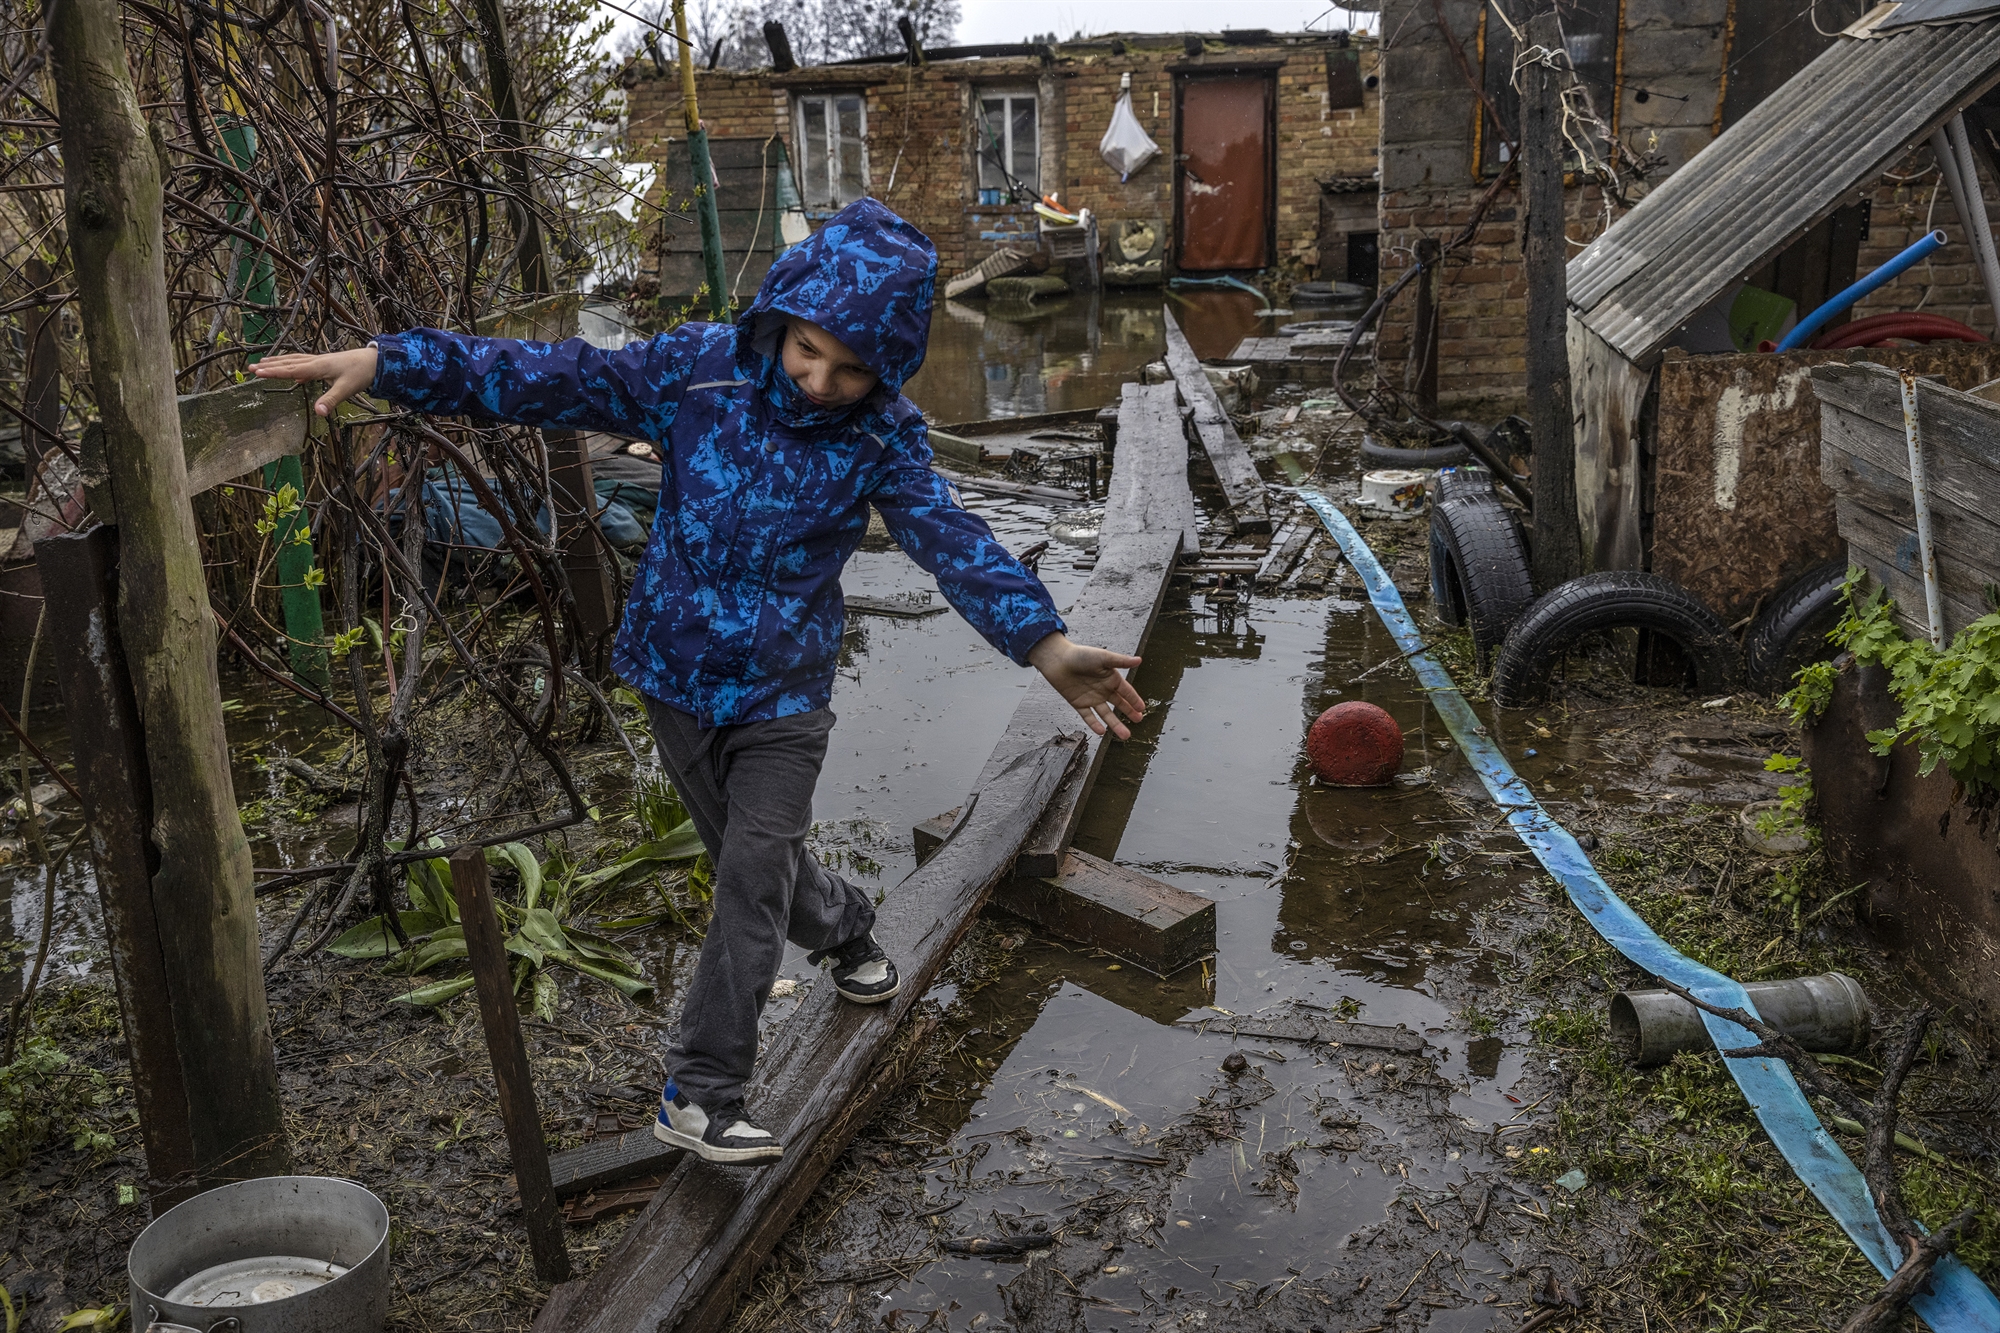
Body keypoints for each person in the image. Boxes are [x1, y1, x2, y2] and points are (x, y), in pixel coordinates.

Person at [254, 198, 1145, 1166]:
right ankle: (845, 928)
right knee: (754, 873)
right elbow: (547, 376)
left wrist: (1044, 644)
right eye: (809, 350)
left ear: (886, 370)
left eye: (852, 371)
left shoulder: (879, 437)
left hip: (783, 698)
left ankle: (701, 1091)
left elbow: (950, 537)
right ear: (782, 315)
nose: (819, 382)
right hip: (673, 679)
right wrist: (391, 364)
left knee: (750, 875)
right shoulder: (697, 372)